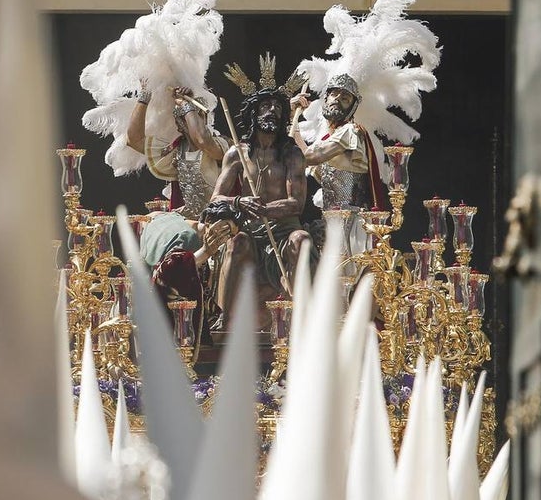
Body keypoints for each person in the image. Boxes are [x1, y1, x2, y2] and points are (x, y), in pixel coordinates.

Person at [212, 56, 314, 329]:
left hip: (284, 230)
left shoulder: (292, 154)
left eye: (278, 107)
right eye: (265, 106)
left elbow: (296, 204)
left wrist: (265, 209)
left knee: (302, 239)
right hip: (251, 230)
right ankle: (225, 316)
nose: (272, 111)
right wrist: (239, 201)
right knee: (237, 243)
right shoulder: (237, 153)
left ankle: (300, 315)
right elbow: (216, 199)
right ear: (253, 113)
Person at [139, 203, 240, 357]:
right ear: (208, 221)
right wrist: (205, 252)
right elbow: (171, 269)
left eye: (230, 235)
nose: (225, 239)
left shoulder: (173, 218)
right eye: (224, 230)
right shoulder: (188, 237)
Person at [127, 85, 228, 221]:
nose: (191, 119)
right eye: (184, 116)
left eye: (197, 115)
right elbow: (134, 139)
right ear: (179, 124)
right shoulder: (176, 150)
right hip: (189, 224)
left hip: (219, 222)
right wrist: (146, 93)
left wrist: (185, 103)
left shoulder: (222, 145)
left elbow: (202, 140)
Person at [289, 73, 385, 211]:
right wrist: (292, 118)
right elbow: (305, 156)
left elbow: (309, 157)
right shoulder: (328, 139)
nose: (338, 98)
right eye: (334, 94)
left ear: (352, 107)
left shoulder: (350, 131)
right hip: (333, 217)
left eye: (345, 98)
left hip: (354, 218)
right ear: (326, 99)